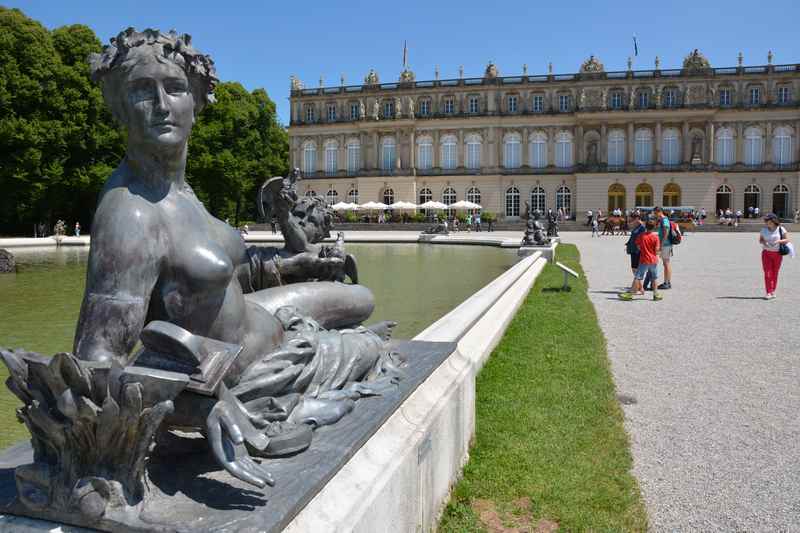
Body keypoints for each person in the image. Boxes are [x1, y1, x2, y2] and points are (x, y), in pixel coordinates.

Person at [77, 28, 395, 488]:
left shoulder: (180, 191)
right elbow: (96, 364)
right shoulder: (129, 212)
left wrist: (289, 266)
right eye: (142, 91)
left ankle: (304, 319)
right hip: (244, 368)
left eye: (175, 87)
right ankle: (308, 357)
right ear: (119, 106)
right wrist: (199, 405)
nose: (163, 105)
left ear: (198, 101)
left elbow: (211, 277)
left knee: (360, 299)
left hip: (259, 318)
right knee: (366, 345)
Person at [619, 217, 663, 301]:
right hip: (653, 260)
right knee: (654, 278)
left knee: (637, 277)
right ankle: (656, 294)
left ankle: (631, 293)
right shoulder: (656, 237)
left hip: (644, 260)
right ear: (654, 228)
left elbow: (638, 247)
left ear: (645, 227)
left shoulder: (641, 236)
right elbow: (657, 250)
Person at [759, 213, 790, 299]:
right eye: (765, 220)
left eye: (767, 220)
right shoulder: (763, 230)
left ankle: (773, 290)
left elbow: (787, 240)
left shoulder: (781, 229)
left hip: (777, 254)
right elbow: (760, 240)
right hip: (766, 253)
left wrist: (778, 241)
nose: (766, 222)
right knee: (767, 273)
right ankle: (768, 292)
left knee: (775, 272)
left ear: (773, 221)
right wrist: (765, 242)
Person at [624, 213, 645, 294]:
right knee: (634, 268)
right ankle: (640, 287)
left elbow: (643, 238)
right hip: (633, 249)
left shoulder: (642, 227)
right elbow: (633, 236)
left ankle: (638, 288)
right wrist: (628, 243)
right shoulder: (636, 226)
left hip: (638, 250)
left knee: (636, 269)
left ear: (637, 218)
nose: (631, 221)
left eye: (632, 219)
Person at [654, 207, 674, 289]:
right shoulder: (662, 220)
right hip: (665, 244)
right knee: (665, 263)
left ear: (660, 212)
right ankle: (666, 282)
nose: (655, 215)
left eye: (655, 213)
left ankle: (667, 283)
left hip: (665, 244)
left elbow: (666, 232)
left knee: (666, 263)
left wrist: (661, 245)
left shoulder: (664, 220)